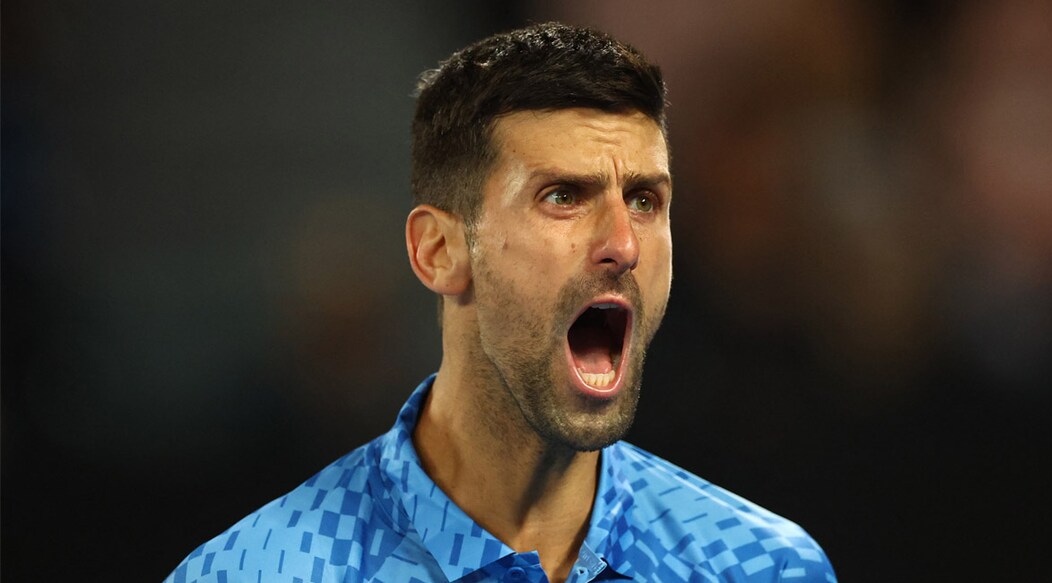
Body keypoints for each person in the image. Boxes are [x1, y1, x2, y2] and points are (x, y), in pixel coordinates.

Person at [166, 22, 836, 583]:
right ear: (438, 251)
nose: (623, 245)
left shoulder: (762, 565)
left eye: (643, 199)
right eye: (562, 196)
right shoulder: (256, 572)